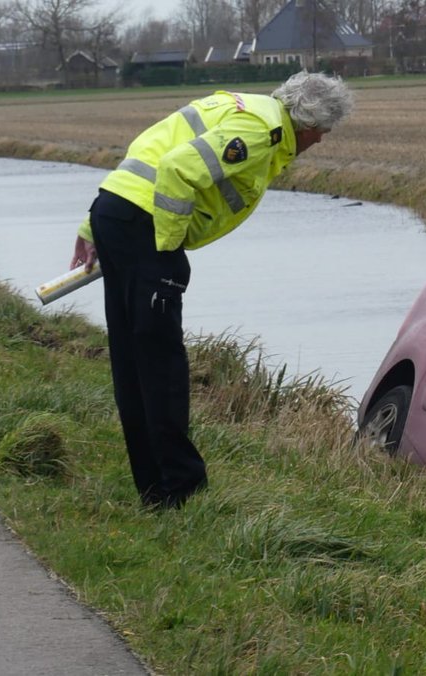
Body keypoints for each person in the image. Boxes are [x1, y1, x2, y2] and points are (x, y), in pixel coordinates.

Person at [68, 72, 354, 509]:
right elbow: (176, 169)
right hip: (146, 230)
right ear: (310, 122)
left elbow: (147, 149)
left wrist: (94, 223)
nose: (320, 141)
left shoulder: (243, 106)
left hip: (118, 214)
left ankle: (155, 491)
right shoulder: (261, 130)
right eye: (323, 132)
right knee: (161, 363)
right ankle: (182, 490)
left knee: (133, 362)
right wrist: (167, 248)